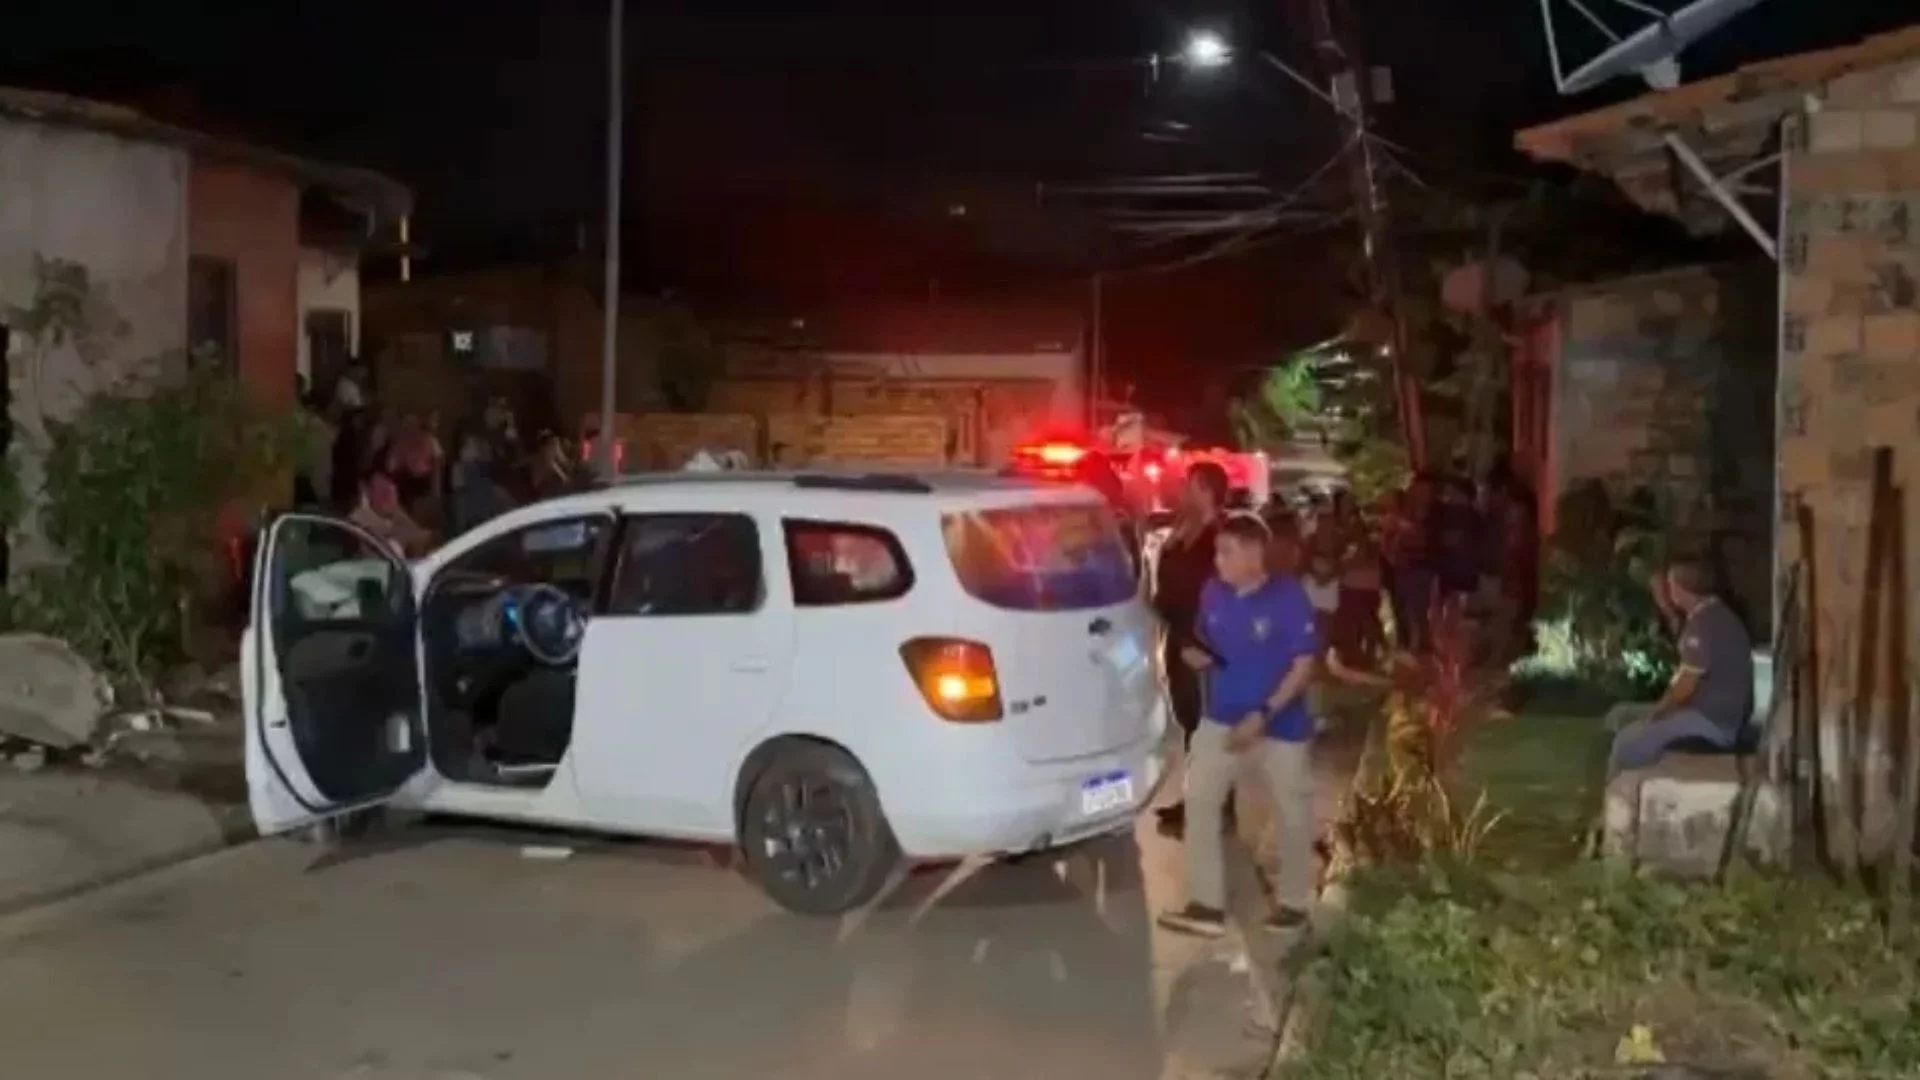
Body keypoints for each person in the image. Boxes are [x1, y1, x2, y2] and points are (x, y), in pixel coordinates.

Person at [1157, 513, 1321, 937]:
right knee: (1200, 804)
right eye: (1217, 551)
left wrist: (1264, 714)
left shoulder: (1289, 598)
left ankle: (1293, 905)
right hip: (1220, 720)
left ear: (1253, 553)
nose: (1217, 560)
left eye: (1226, 551)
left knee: (1292, 813)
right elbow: (1209, 642)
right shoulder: (1213, 592)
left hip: (1280, 726)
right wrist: (1200, 659)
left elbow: (1303, 666)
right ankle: (1205, 905)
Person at [1609, 558, 1755, 774]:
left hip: (1713, 723)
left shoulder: (1706, 623)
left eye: (1669, 584)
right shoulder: (1711, 615)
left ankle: (1621, 800)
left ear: (1680, 587)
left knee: (1626, 743)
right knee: (1620, 715)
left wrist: (1657, 713)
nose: (1666, 590)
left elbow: (1684, 687)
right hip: (1710, 714)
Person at [1151, 461, 1230, 837]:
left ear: (1205, 489)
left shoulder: (1219, 538)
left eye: (1189, 484)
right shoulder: (1186, 532)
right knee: (1191, 723)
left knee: (1205, 724)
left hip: (1202, 643)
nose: (1182, 490)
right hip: (1180, 636)